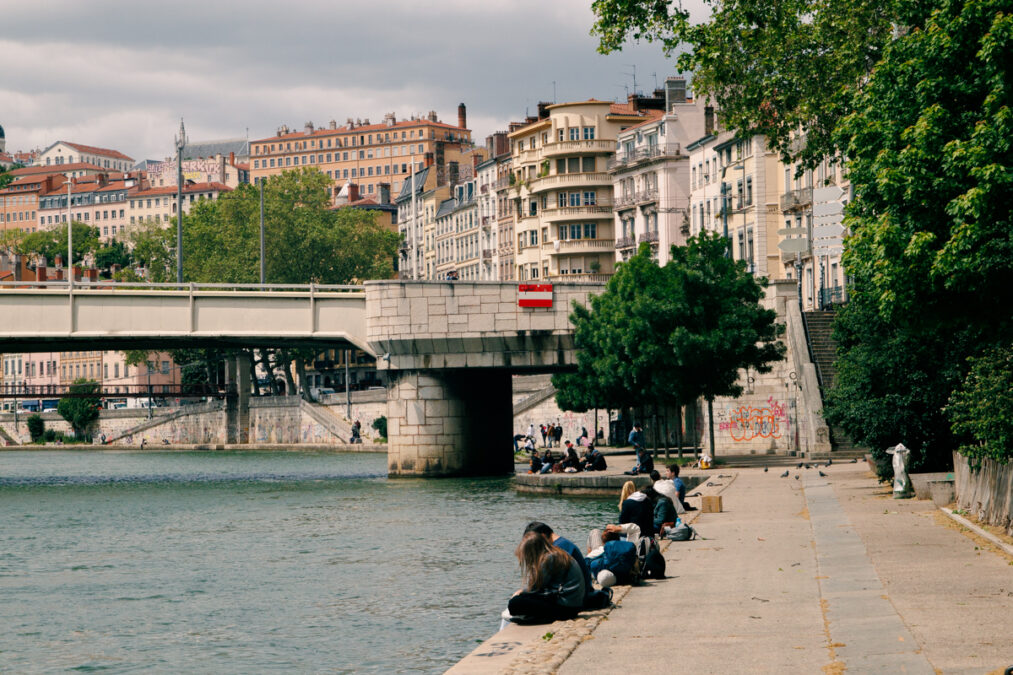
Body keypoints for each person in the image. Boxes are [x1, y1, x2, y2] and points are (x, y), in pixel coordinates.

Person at [523, 522, 610, 610]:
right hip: (582, 592)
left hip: (576, 598)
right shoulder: (562, 544)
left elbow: (541, 583)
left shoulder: (557, 549)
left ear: (543, 537)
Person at [506, 531, 586, 623]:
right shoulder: (556, 554)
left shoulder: (549, 559)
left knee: (515, 603)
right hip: (572, 606)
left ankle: (537, 618)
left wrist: (520, 592)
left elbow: (535, 588)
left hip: (566, 608)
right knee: (522, 600)